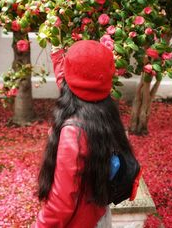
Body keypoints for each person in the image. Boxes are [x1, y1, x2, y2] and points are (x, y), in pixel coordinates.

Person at [32, 40, 137, 228]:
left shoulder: (73, 132)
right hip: (100, 214)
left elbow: (61, 202)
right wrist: (58, 58)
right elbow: (74, 83)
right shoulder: (105, 110)